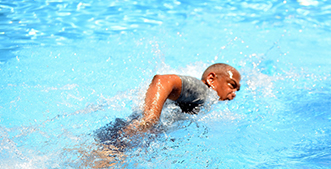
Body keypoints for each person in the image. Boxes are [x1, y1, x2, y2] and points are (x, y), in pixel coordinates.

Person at [95, 62, 241, 150]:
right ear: (211, 78)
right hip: (124, 136)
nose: (233, 94)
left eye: (237, 90)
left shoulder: (203, 101)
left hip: (122, 134)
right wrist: (151, 118)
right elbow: (162, 80)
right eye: (231, 85)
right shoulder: (202, 91)